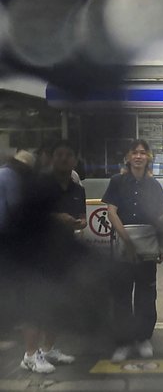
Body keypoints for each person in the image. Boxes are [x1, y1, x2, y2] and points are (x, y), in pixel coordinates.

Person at [20, 141, 87, 373]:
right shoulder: (37, 186)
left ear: (75, 161)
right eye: (59, 155)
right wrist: (57, 217)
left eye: (69, 155)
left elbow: (82, 216)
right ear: (51, 158)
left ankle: (49, 349)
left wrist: (81, 221)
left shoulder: (78, 189)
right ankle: (30, 355)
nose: (64, 159)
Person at [102, 139, 163, 362]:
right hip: (123, 246)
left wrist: (160, 244)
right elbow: (112, 212)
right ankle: (123, 342)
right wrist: (128, 242)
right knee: (121, 296)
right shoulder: (117, 182)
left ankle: (143, 339)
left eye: (143, 152)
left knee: (146, 296)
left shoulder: (154, 185)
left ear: (148, 157)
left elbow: (160, 217)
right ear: (128, 157)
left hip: (148, 247)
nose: (139, 156)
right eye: (134, 153)